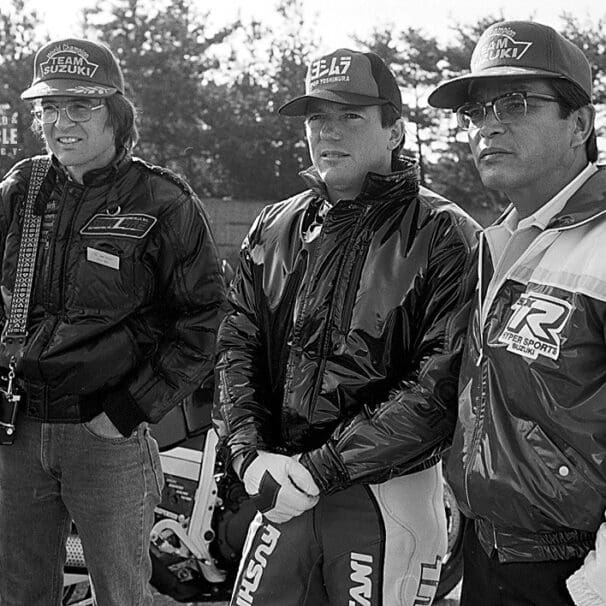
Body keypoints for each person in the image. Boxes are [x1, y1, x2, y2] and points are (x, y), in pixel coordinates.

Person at [213, 47, 479, 606]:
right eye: (317, 117)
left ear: (395, 130)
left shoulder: (447, 233)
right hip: (280, 487)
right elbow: (237, 345)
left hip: (385, 498)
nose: (328, 131)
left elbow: (439, 386)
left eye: (350, 115)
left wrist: (323, 468)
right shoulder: (275, 224)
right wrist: (247, 454)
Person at [0, 38, 225, 605]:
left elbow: (205, 320)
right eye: (49, 108)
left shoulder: (163, 201)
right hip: (16, 431)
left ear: (117, 115)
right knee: (18, 594)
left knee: (122, 595)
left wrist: (125, 413)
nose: (61, 123)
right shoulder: (22, 190)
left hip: (106, 437)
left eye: (80, 106)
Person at [428, 20, 605, 606]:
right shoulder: (496, 241)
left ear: (580, 124)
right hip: (489, 554)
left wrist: (596, 584)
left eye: (516, 103)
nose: (489, 125)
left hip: (574, 572)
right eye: (476, 111)